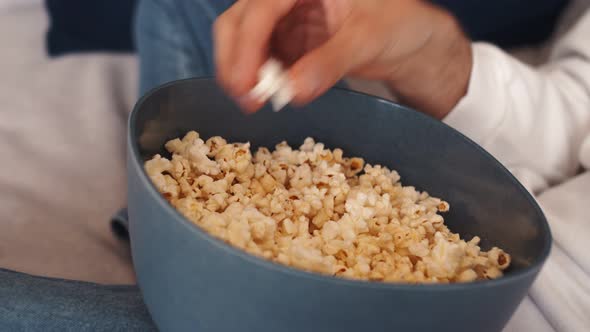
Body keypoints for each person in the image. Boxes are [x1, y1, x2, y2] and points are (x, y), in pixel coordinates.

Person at [0, 0, 586, 330]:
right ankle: (176, 233)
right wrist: (436, 54)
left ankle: (182, 257)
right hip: (441, 236)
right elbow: (569, 122)